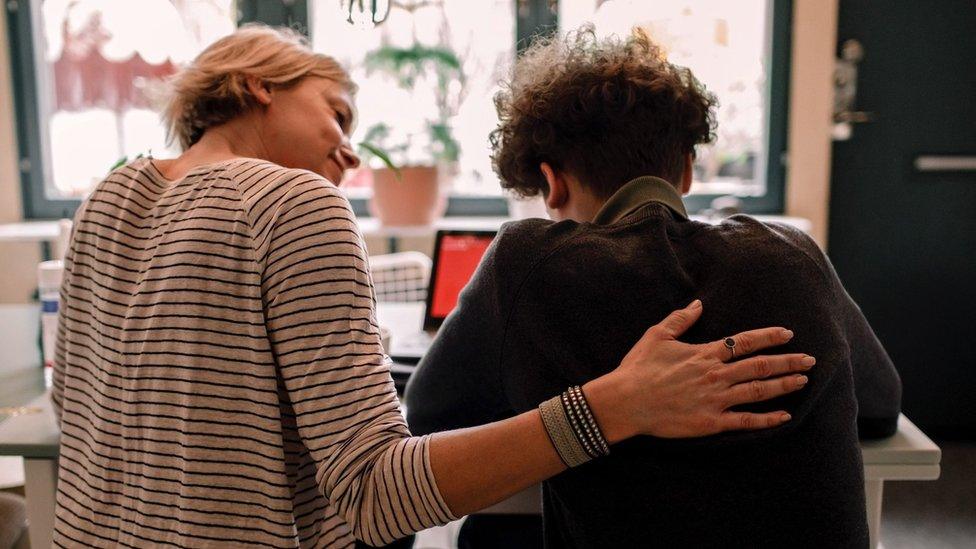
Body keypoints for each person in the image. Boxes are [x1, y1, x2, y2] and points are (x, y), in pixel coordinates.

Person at [50, 25, 814, 548]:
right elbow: (376, 495)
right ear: (257, 85)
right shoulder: (295, 202)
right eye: (337, 114)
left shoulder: (105, 199)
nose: (350, 155)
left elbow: (80, 411)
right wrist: (617, 404)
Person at [405, 27, 902, 548]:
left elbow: (431, 416)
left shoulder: (529, 265)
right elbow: (878, 404)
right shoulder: (789, 253)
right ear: (686, 171)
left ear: (551, 185)